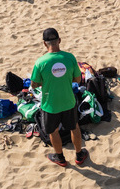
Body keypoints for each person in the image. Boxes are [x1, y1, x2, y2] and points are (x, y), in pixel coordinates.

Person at [30, 28, 88, 167]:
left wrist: (46, 81)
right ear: (59, 41)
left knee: (53, 131)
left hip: (50, 104)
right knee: (74, 127)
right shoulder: (69, 57)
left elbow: (34, 84)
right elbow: (78, 80)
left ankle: (60, 158)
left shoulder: (40, 62)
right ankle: (79, 155)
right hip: (68, 101)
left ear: (45, 44)